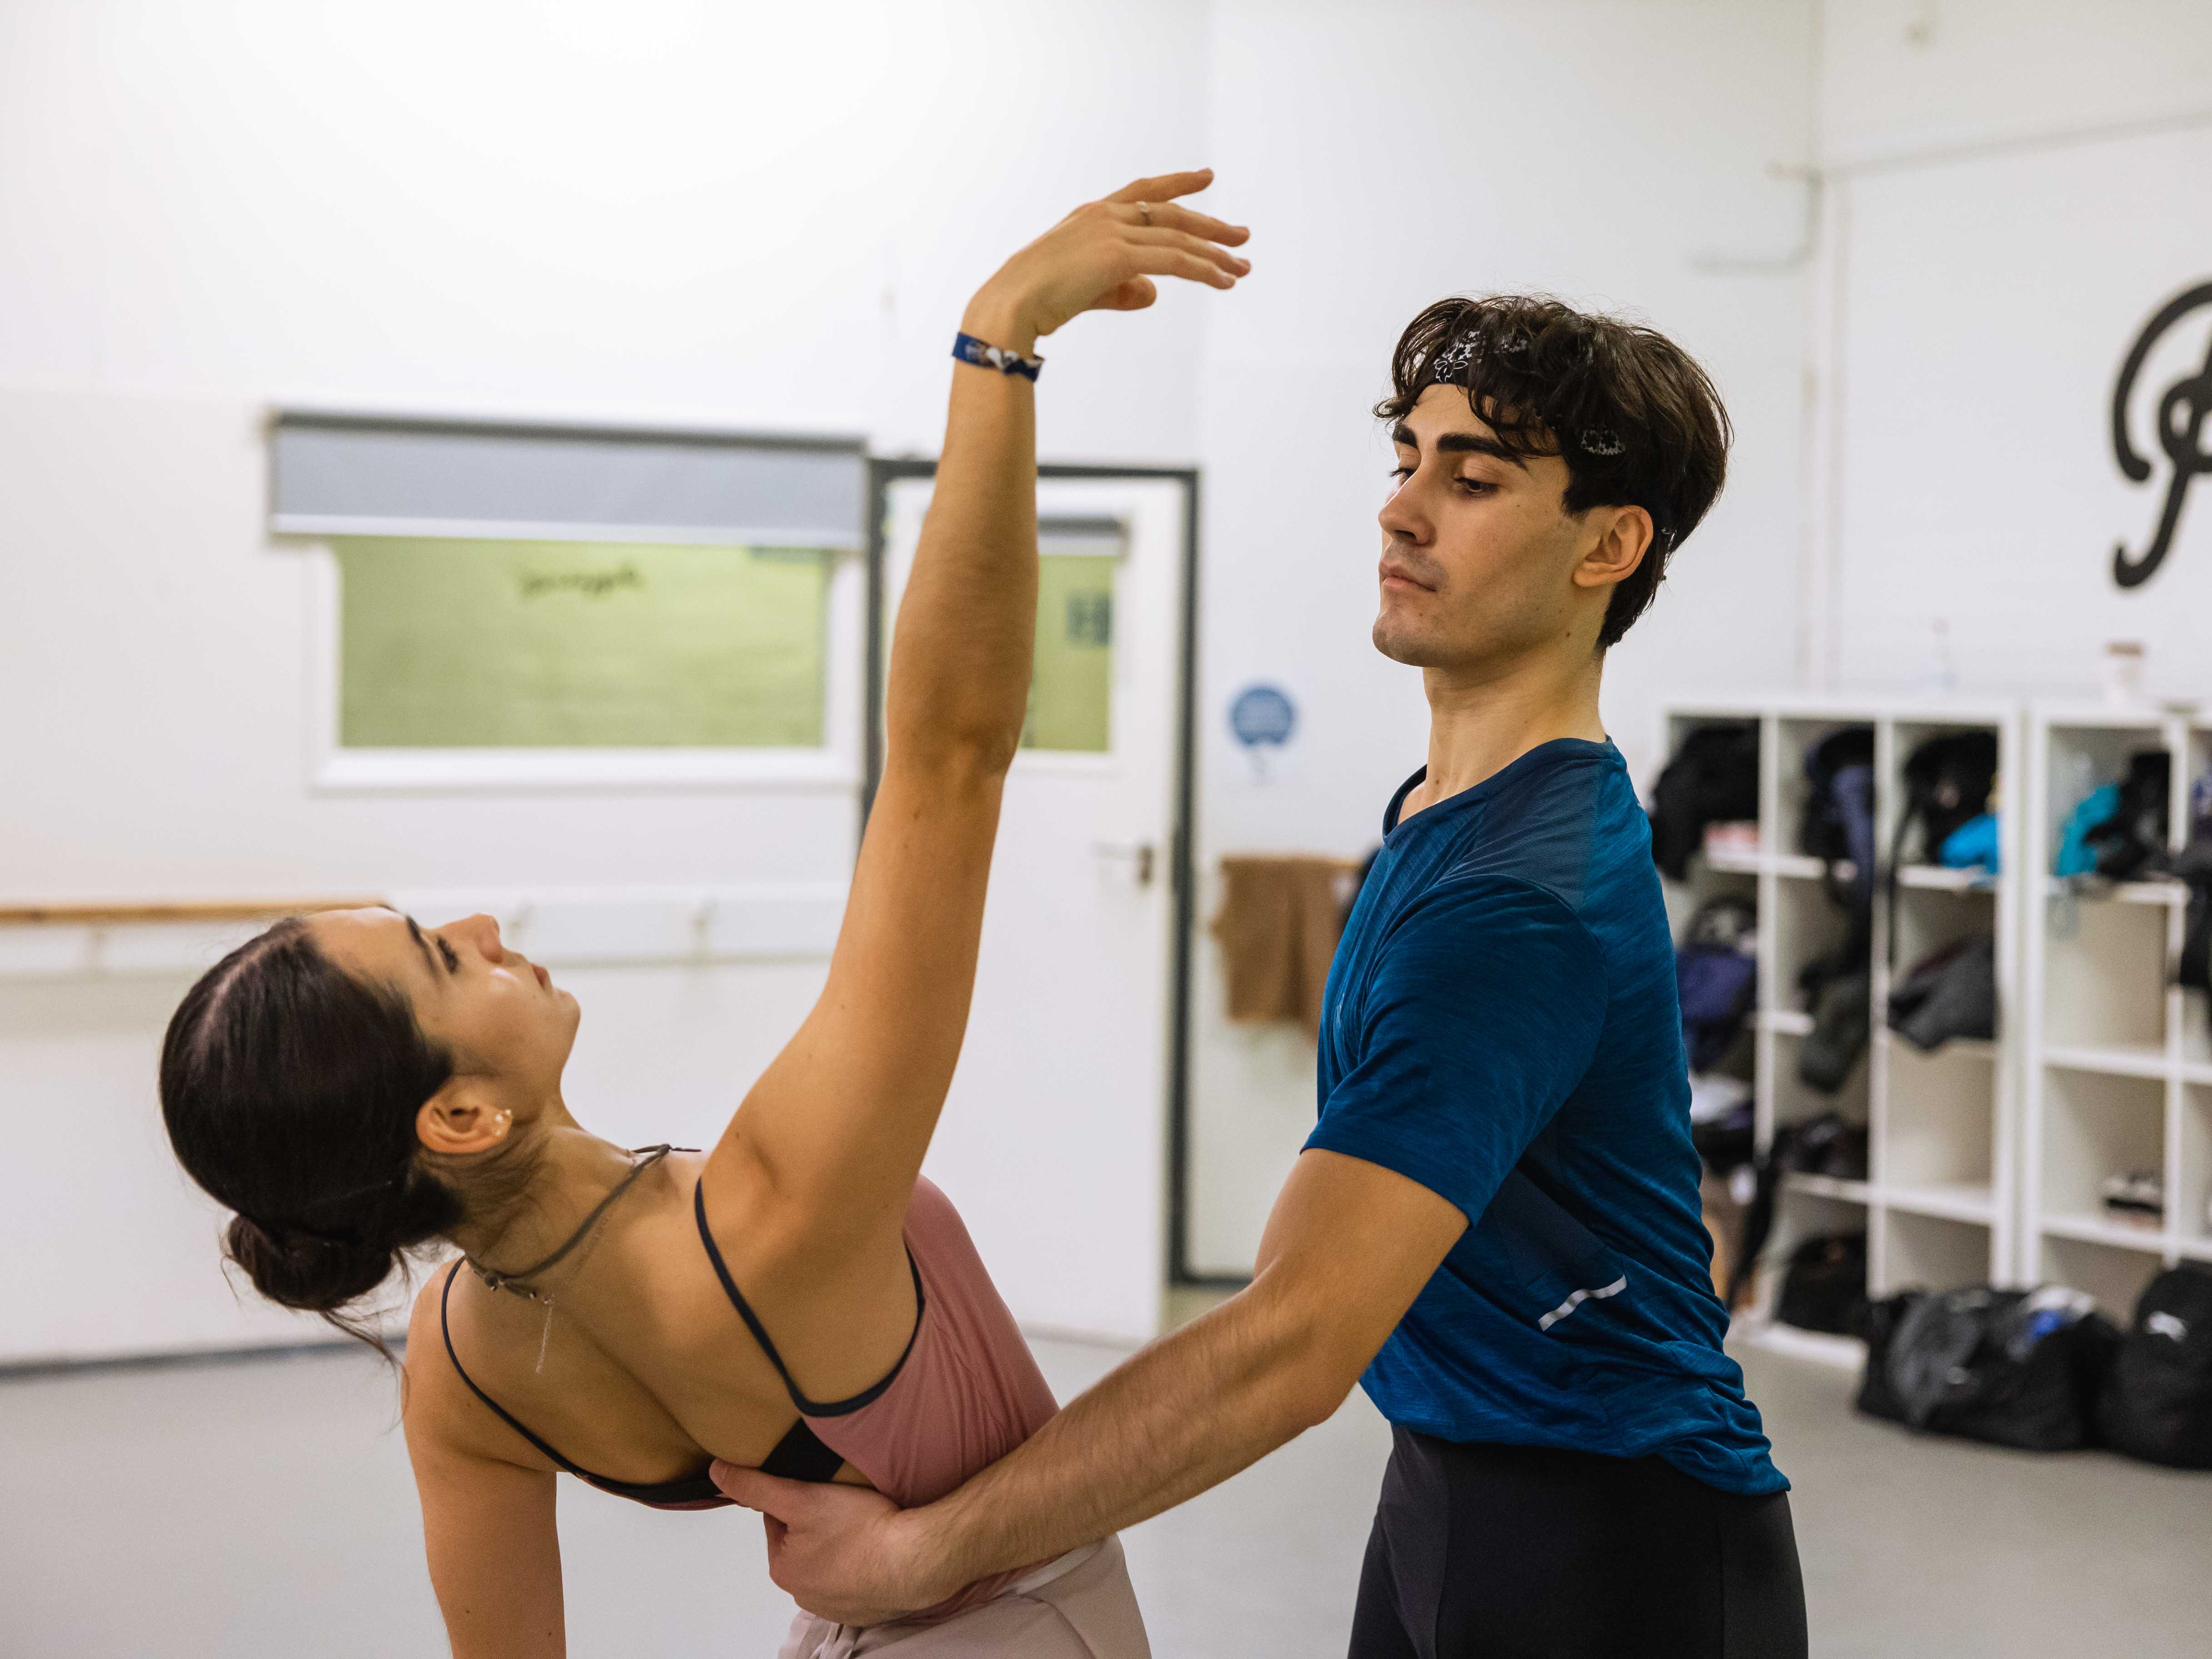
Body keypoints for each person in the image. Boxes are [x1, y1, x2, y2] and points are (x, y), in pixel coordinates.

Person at [156, 170, 1250, 1659]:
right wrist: (999, 341)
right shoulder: (774, 1217)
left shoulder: (462, 1367)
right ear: (459, 1118)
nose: (480, 924)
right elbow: (949, 757)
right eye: (436, 955)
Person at [718, 296, 1812, 1657]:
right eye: (1406, 461)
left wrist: (923, 1552)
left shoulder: (1515, 908)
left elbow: (1295, 1341)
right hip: (1450, 1485)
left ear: (1612, 543)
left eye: (1471, 480)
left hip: (1611, 1543)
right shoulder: (1446, 808)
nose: (1403, 511)